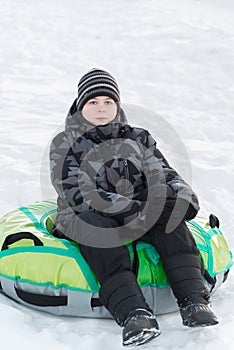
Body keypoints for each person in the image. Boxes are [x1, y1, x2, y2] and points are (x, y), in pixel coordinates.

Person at [49, 68, 218, 347]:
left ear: (117, 105)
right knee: (96, 228)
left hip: (139, 211)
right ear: (81, 107)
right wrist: (139, 210)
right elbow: (79, 192)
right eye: (93, 103)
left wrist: (182, 196)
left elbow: (163, 172)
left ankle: (194, 301)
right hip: (87, 214)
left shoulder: (138, 138)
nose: (101, 108)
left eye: (108, 102)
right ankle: (133, 314)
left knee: (171, 221)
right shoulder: (65, 143)